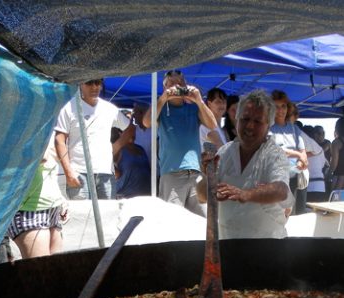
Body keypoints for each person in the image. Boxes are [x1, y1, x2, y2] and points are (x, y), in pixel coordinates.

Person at [197, 90, 291, 239]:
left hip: (267, 249)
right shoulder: (224, 153)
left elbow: (281, 190)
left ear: (268, 125)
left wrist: (245, 194)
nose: (250, 126)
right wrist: (209, 176)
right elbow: (202, 196)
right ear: (237, 119)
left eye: (258, 121)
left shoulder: (275, 155)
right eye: (245, 119)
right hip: (228, 246)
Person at [143, 70, 217, 216]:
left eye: (181, 83)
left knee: (202, 221)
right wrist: (163, 98)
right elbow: (146, 122)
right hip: (172, 173)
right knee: (172, 221)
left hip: (195, 173)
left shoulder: (193, 108)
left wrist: (199, 100)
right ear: (165, 87)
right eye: (172, 83)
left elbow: (213, 124)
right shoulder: (161, 109)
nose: (177, 86)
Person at [54, 79, 133, 200]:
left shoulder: (110, 108)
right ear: (81, 84)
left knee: (107, 215)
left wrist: (115, 148)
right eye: (89, 83)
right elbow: (59, 140)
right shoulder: (69, 108)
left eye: (98, 83)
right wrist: (68, 172)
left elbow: (130, 128)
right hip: (78, 172)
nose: (94, 87)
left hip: (105, 172)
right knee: (81, 215)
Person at [8, 139, 68, 258]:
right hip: (29, 209)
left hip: (53, 207)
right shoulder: (32, 124)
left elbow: (50, 167)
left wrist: (61, 199)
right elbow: (43, 157)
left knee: (57, 271)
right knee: (42, 273)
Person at [268, 90, 308, 215]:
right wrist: (298, 155)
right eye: (276, 107)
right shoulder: (267, 128)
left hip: (294, 178)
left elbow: (303, 151)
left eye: (283, 106)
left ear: (288, 107)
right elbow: (277, 151)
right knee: (279, 216)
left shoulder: (294, 128)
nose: (280, 110)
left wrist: (302, 161)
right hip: (277, 180)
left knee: (293, 214)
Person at [302, 125, 328, 203]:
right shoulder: (319, 149)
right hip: (320, 186)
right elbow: (323, 165)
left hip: (308, 186)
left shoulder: (301, 151)